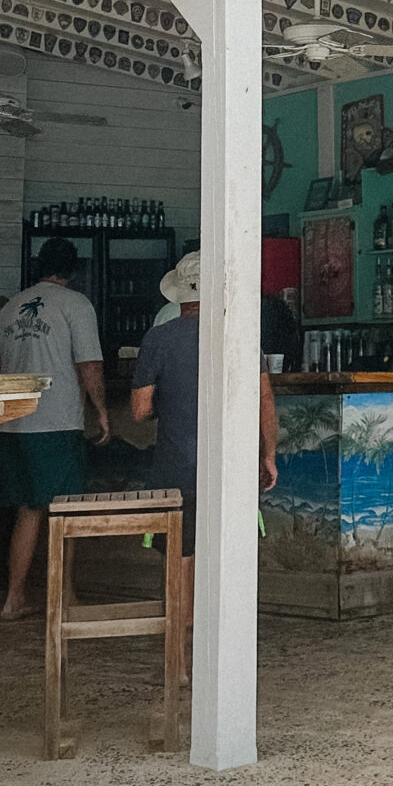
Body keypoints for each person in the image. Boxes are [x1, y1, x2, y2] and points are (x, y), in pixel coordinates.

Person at [130, 248, 277, 625]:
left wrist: (171, 401)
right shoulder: (240, 335)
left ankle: (181, 648)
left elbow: (140, 410)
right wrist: (268, 455)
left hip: (177, 467)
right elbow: (263, 399)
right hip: (231, 468)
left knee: (181, 558)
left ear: (179, 294)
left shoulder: (158, 339)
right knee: (227, 557)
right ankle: (226, 641)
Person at [0, 237, 109, 618]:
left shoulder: (10, 307)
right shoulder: (76, 305)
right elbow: (90, 364)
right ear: (74, 270)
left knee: (28, 511)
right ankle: (64, 596)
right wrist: (101, 410)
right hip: (55, 423)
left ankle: (14, 597)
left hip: (11, 424)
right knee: (63, 511)